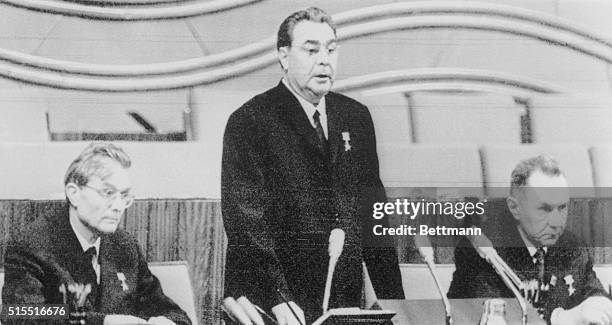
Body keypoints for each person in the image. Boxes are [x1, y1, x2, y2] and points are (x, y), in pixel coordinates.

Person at [221, 7, 404, 325]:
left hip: (342, 301)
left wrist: (397, 304)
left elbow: (375, 215)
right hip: (273, 304)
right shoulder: (250, 121)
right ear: (284, 56)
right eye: (311, 50)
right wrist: (279, 297)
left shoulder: (355, 117)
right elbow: (246, 226)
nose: (324, 60)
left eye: (331, 50)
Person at [2, 142, 191, 325]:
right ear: (74, 193)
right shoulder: (31, 245)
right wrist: (102, 322)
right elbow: (20, 312)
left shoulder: (125, 246)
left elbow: (170, 311)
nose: (118, 207)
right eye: (108, 193)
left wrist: (169, 322)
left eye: (124, 196)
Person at [448, 155, 612, 325]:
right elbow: (494, 316)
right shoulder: (481, 250)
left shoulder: (572, 246)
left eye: (562, 207)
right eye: (544, 209)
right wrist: (559, 318)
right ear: (515, 208)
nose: (557, 222)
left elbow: (594, 292)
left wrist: (599, 305)